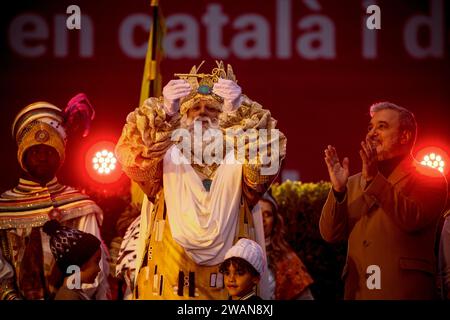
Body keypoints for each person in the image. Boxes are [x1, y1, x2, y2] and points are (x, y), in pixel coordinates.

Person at [115, 61, 286, 299]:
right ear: (182, 117)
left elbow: (265, 166)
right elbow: (132, 159)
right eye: (194, 109)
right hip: (169, 279)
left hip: (229, 288)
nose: (202, 113)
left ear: (224, 118)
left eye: (213, 109)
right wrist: (165, 110)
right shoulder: (165, 155)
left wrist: (239, 111)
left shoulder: (240, 156)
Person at [320, 101, 448, 299]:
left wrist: (373, 179)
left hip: (404, 292)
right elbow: (329, 234)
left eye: (382, 126)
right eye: (370, 127)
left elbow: (412, 218)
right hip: (359, 292)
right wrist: (338, 191)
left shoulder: (429, 177)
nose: (371, 133)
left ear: (405, 136)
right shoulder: (353, 182)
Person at [0, 95, 110, 300]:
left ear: (60, 155)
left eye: (49, 151)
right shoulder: (3, 207)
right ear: (22, 155)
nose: (42, 157)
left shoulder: (81, 205)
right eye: (35, 150)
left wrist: (67, 294)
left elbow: (95, 267)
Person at [259, 192, 314, 300]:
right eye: (257, 214)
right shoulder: (235, 251)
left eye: (267, 214)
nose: (262, 220)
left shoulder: (287, 258)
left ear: (275, 222)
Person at [42, 219, 102, 300]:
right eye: (96, 261)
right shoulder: (69, 297)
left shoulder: (74, 292)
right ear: (79, 262)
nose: (99, 269)